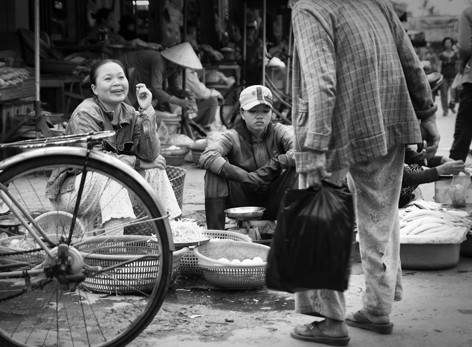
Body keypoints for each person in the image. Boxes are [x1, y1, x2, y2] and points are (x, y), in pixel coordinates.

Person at [288, 0, 439, 345]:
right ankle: (376, 309)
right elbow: (409, 58)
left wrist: (312, 147)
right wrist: (427, 113)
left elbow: (322, 82)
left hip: (335, 129)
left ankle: (330, 320)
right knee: (381, 216)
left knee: (319, 217)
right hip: (390, 118)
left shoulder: (310, 8)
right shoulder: (374, 2)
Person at [45, 59, 181, 235]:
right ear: (95, 88)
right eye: (108, 79)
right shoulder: (86, 113)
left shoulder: (130, 113)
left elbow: (150, 155)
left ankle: (173, 232)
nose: (117, 83)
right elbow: (99, 161)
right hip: (71, 192)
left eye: (121, 77)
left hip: (106, 185)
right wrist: (138, 163)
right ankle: (114, 247)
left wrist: (147, 111)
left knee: (157, 169)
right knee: (112, 175)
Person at [199, 85, 297, 230]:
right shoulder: (232, 136)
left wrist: (276, 164)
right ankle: (216, 236)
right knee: (214, 172)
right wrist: (245, 177)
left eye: (265, 111)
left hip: (274, 200)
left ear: (272, 112)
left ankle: (294, 233)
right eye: (253, 111)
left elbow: (301, 152)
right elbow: (207, 156)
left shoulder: (279, 131)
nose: (260, 116)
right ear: (242, 113)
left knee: (299, 170)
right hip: (241, 203)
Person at [119, 42, 201, 112]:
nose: (180, 69)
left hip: (136, 83)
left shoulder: (174, 68)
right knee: (129, 111)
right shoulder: (159, 60)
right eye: (180, 65)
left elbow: (174, 88)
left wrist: (184, 93)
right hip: (124, 74)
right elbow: (156, 89)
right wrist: (179, 102)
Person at [400, 146, 465, 207]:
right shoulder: (391, 141)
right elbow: (404, 178)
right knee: (414, 171)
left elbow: (409, 155)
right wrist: (441, 170)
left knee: (416, 168)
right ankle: (399, 200)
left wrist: (441, 160)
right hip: (391, 190)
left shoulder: (396, 142)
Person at [450, 6, 472, 162]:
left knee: (464, 128)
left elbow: (465, 47)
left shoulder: (469, 12)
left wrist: (461, 66)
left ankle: (454, 176)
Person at [438, 37, 459, 116]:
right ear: (444, 44)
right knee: (444, 94)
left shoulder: (455, 55)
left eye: (449, 42)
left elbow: (457, 66)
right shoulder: (441, 55)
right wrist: (439, 76)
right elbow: (439, 66)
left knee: (454, 93)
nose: (448, 44)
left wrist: (459, 75)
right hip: (444, 77)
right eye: (446, 42)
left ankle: (451, 105)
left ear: (451, 43)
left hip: (453, 76)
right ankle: (445, 110)